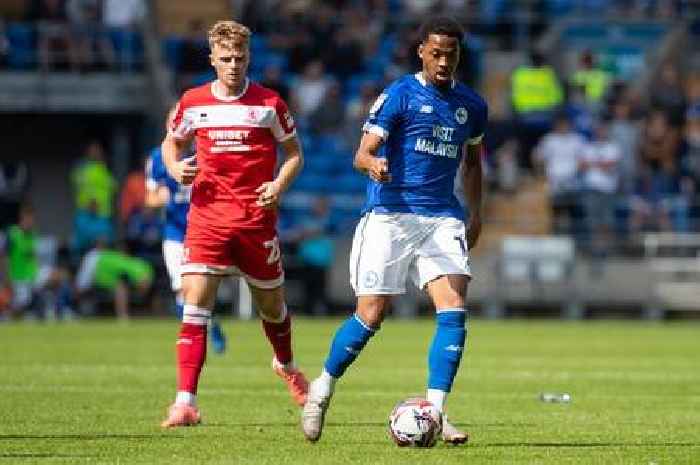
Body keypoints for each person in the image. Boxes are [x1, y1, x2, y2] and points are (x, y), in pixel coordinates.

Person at [301, 17, 487, 445]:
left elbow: (473, 163)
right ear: (421, 51)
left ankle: (435, 413)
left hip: (442, 215)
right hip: (390, 213)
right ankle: (322, 387)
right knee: (371, 313)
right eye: (436, 53)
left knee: (454, 305)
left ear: (459, 56)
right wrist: (375, 164)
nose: (443, 62)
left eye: (451, 54)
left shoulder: (472, 106)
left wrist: (475, 214)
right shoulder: (400, 94)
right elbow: (361, 154)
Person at [159, 20, 308, 428]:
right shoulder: (193, 102)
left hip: (256, 222)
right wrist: (175, 168)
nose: (233, 65)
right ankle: (185, 402)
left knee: (271, 307)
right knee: (195, 303)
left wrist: (278, 184)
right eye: (225, 59)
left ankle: (286, 364)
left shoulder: (269, 104)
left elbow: (295, 154)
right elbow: (171, 143)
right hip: (207, 219)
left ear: (249, 58)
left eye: (240, 58)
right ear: (212, 59)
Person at [145, 110, 227, 354]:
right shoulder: (158, 158)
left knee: (199, 291)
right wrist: (158, 198)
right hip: (174, 235)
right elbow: (149, 198)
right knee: (183, 291)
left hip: (202, 231)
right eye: (172, 122)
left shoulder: (204, 154)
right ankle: (201, 336)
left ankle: (207, 327)